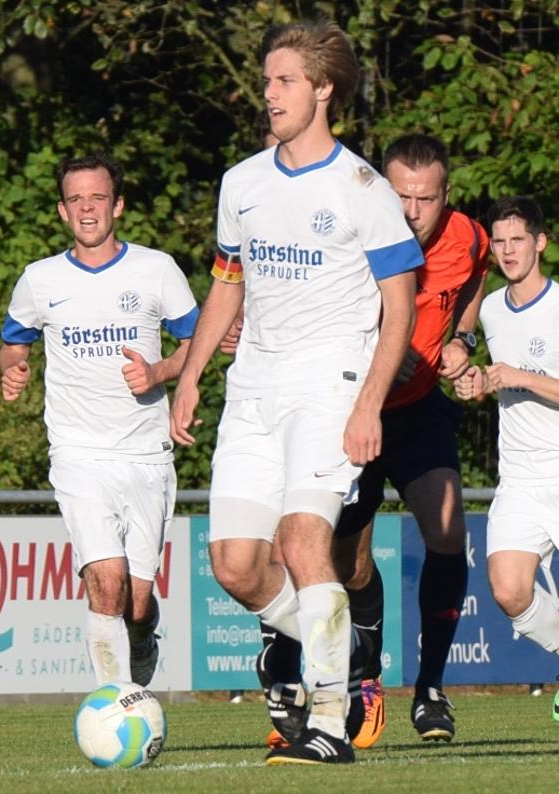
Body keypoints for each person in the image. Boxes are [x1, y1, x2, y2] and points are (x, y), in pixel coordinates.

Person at [171, 19, 421, 766]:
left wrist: (369, 402)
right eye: (267, 80)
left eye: (285, 81)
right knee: (236, 565)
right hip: (252, 386)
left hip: (329, 384)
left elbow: (400, 306)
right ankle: (339, 650)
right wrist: (191, 375)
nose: (270, 93)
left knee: (303, 541)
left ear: (323, 89)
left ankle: (330, 723)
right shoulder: (241, 182)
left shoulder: (363, 188)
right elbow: (227, 283)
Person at [238, 133, 489, 749]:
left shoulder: (469, 237)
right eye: (401, 195)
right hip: (351, 414)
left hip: (418, 413)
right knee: (344, 563)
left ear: (446, 195)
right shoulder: (356, 232)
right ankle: (360, 673)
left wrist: (462, 339)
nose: (412, 211)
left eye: (425, 199)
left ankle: (430, 689)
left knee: (447, 532)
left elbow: (474, 281)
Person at [0, 153, 199, 688]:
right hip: (78, 453)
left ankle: (144, 638)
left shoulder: (156, 269)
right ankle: (115, 701)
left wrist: (159, 371)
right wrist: (12, 368)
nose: (87, 209)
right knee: (106, 584)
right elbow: (12, 343)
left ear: (118, 205)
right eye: (76, 199)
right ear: (63, 211)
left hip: (146, 454)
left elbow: (196, 343)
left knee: (136, 603)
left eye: (98, 197)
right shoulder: (39, 279)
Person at [455, 196, 559, 723]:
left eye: (518, 239)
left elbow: (519, 378)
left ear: (540, 242)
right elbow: (496, 381)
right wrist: (477, 381)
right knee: (508, 589)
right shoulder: (491, 309)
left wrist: (520, 376)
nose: (508, 250)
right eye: (499, 241)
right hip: (518, 477)